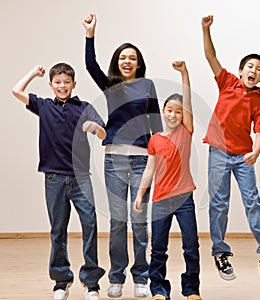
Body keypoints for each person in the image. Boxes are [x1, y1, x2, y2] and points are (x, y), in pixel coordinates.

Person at [83, 13, 163, 298]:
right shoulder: (111, 87)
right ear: (117, 62)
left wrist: (159, 156)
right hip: (114, 159)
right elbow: (90, 65)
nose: (127, 61)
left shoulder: (148, 85)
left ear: (138, 63)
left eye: (132, 58)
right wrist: (90, 34)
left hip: (142, 159)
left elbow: (156, 124)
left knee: (139, 221)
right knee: (118, 222)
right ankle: (116, 276)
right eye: (122, 58)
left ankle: (141, 277)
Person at [12, 63, 106, 300]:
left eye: (67, 82)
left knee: (90, 225)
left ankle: (91, 282)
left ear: (74, 84)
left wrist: (95, 128)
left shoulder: (84, 107)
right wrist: (33, 72)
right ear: (51, 84)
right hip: (53, 178)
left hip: (81, 177)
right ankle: (61, 281)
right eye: (58, 82)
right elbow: (16, 90)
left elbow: (104, 133)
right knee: (57, 230)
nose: (62, 86)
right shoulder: (43, 106)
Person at [201, 15, 260, 281]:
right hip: (218, 153)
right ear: (241, 70)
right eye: (250, 67)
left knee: (252, 201)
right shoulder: (227, 82)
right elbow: (211, 56)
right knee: (219, 205)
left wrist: (256, 152)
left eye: (258, 70)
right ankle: (220, 252)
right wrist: (205, 30)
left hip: (243, 156)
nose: (253, 71)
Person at [134, 61, 202, 300]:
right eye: (170, 110)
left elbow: (188, 99)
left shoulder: (186, 130)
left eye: (178, 111)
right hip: (161, 200)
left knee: (191, 246)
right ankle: (159, 289)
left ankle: (191, 288)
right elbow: (149, 169)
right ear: (163, 112)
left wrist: (184, 73)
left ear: (184, 116)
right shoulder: (155, 140)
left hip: (184, 199)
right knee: (158, 248)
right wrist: (141, 194)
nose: (173, 114)